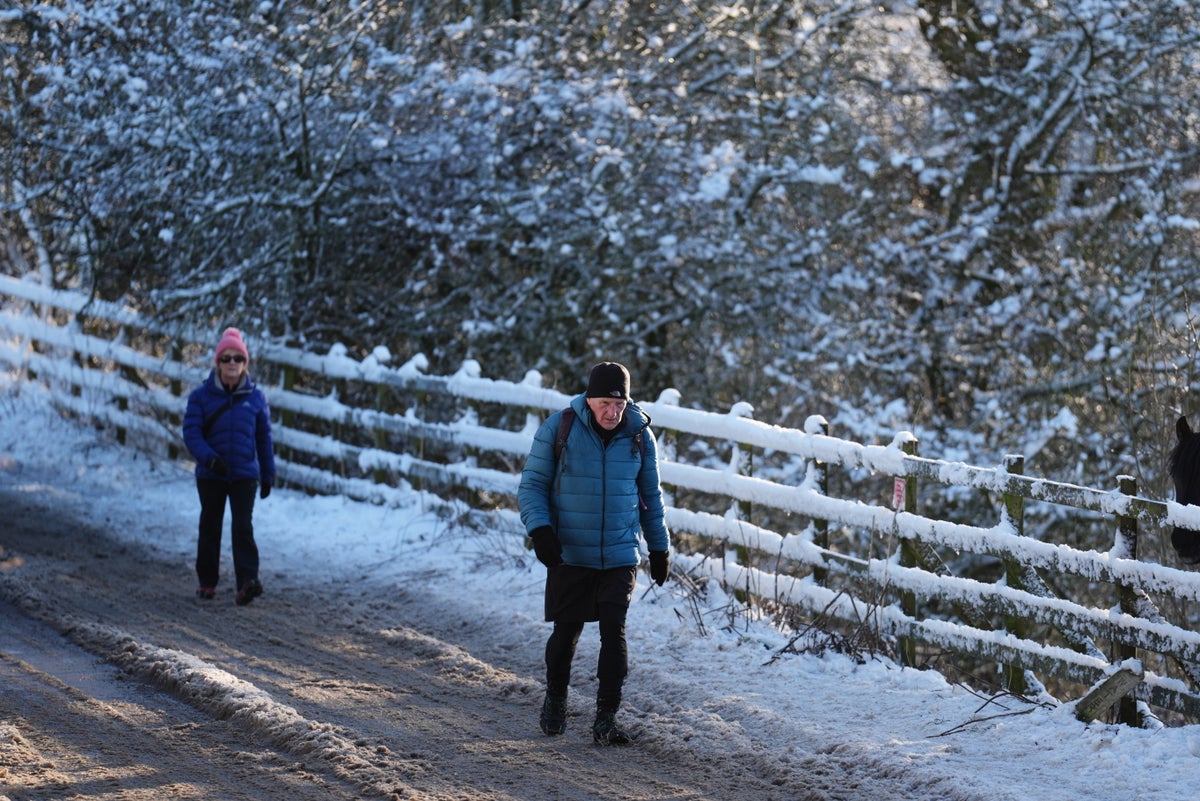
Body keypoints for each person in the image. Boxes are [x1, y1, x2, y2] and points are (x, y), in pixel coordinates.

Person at [518, 361, 671, 745]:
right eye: (605, 403)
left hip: (619, 554)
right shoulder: (560, 428)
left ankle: (606, 718)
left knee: (613, 634)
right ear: (590, 399)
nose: (612, 412)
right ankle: (555, 699)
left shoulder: (639, 435)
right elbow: (532, 485)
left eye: (619, 404)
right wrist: (540, 530)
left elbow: (651, 498)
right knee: (566, 633)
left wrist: (659, 547)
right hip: (571, 551)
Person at [182, 327, 275, 605]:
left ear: (245, 363)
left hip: (245, 473)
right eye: (226, 358)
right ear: (217, 362)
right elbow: (192, 432)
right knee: (210, 524)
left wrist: (268, 473)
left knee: (242, 526)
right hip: (212, 473)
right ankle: (207, 581)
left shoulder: (256, 398)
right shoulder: (201, 397)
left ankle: (247, 581)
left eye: (238, 358)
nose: (232, 364)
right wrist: (209, 458)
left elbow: (264, 438)